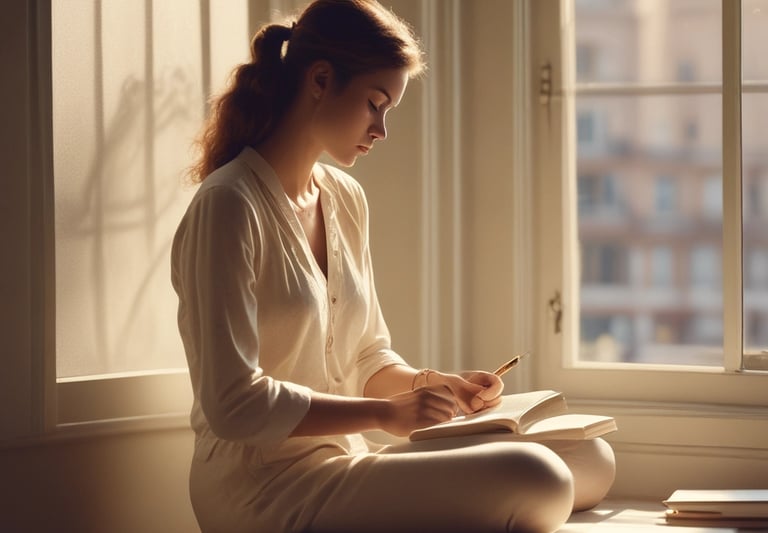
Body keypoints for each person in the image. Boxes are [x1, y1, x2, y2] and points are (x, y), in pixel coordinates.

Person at [171, 1, 615, 531]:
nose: (381, 129)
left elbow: (366, 358)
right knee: (540, 477)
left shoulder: (344, 198)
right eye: (374, 104)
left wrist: (435, 387)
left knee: (588, 461)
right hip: (262, 490)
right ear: (320, 79)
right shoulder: (228, 205)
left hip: (344, 460)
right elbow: (234, 404)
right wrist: (385, 415)